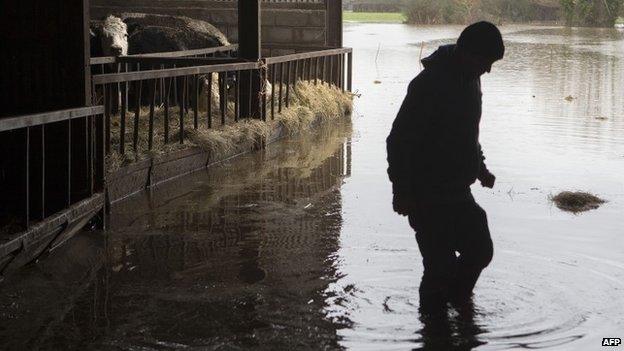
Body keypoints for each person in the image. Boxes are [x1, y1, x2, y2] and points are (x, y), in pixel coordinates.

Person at [386, 22, 505, 313]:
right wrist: (401, 191)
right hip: (426, 194)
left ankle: (458, 306)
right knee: (439, 267)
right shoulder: (429, 84)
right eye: (485, 62)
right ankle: (434, 332)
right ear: (465, 53)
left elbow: (467, 134)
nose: (487, 70)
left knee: (480, 250)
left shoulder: (470, 79)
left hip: (457, 191)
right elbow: (399, 141)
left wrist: (480, 168)